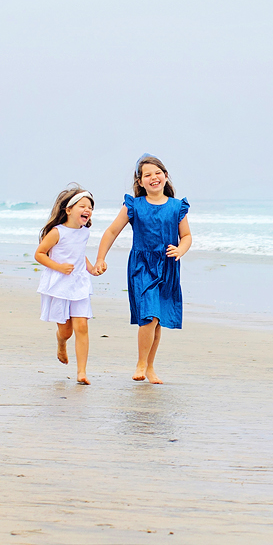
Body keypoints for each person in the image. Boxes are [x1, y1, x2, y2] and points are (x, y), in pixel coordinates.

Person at [90, 154, 191, 383]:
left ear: (165, 176)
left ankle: (150, 365)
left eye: (157, 173)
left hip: (167, 266)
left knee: (157, 318)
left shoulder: (177, 207)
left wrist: (180, 250)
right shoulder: (134, 205)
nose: (153, 178)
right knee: (148, 315)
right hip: (141, 266)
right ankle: (141, 363)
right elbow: (111, 231)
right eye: (147, 175)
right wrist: (100, 258)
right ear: (140, 181)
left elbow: (186, 236)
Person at [35, 185, 99, 384]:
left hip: (79, 284)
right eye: (82, 206)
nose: (87, 210)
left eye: (90, 207)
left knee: (82, 326)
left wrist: (92, 268)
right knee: (66, 331)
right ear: (68, 210)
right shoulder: (56, 232)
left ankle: (82, 372)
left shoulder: (84, 233)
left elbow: (79, 253)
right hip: (60, 284)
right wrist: (59, 267)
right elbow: (39, 254)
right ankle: (61, 342)